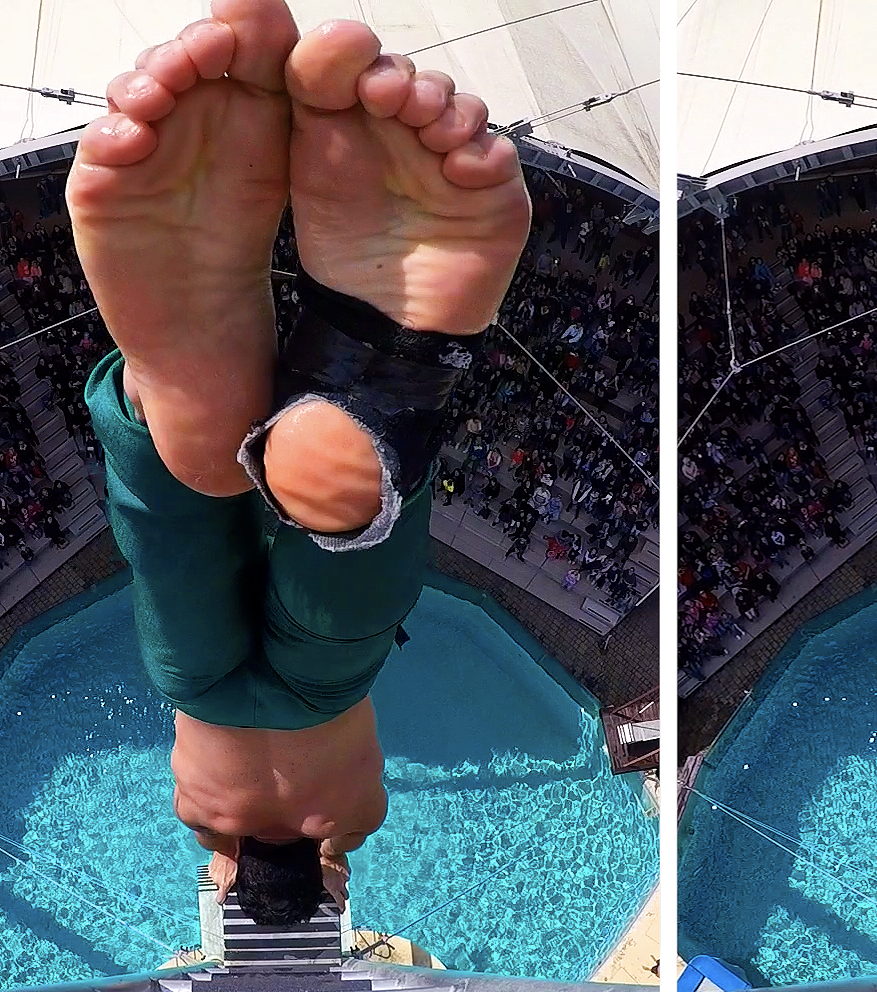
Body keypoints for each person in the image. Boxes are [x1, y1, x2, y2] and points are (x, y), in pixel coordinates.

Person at [68, 0, 530, 924]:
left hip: (323, 689)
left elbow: (338, 820)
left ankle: (363, 408)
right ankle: (163, 419)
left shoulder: (349, 816)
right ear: (237, 877)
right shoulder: (204, 815)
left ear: (325, 880)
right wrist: (240, 852)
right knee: (172, 547)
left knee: (341, 603)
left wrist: (328, 851)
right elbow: (218, 830)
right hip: (193, 680)